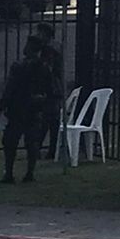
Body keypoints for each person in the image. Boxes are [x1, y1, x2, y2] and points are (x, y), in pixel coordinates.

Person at [0, 36, 54, 184]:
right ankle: (29, 172)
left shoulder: (19, 66)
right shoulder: (44, 67)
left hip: (18, 107)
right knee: (31, 142)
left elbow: (10, 88)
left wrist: (2, 106)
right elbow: (51, 89)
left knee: (11, 142)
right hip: (32, 108)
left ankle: (10, 173)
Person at [34, 23, 65, 160]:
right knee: (51, 121)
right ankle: (50, 149)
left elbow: (47, 68)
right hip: (55, 87)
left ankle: (41, 148)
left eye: (40, 33)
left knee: (47, 120)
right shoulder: (54, 46)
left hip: (51, 88)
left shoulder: (49, 49)